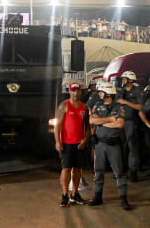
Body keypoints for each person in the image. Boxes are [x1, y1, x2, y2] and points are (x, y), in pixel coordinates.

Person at [88, 82, 130, 210]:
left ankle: (123, 199)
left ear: (108, 93)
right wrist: (110, 120)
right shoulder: (97, 105)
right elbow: (91, 120)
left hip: (113, 144)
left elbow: (120, 124)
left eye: (101, 92)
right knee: (98, 171)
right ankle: (97, 197)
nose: (99, 94)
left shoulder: (119, 107)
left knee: (119, 172)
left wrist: (101, 123)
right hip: (100, 143)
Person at [54, 82, 90, 207]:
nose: (76, 93)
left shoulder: (84, 107)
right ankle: (65, 195)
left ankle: (74, 194)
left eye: (78, 91)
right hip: (66, 144)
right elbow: (57, 125)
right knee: (66, 169)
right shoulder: (64, 105)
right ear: (70, 91)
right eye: (73, 91)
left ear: (80, 92)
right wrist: (58, 142)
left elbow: (88, 127)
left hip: (79, 144)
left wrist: (85, 140)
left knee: (78, 170)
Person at [116, 71, 143, 182]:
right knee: (121, 147)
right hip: (121, 122)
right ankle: (121, 171)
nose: (122, 80)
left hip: (132, 122)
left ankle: (133, 172)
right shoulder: (121, 91)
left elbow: (140, 107)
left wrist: (126, 102)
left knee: (132, 147)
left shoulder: (137, 91)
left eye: (125, 78)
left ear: (130, 80)